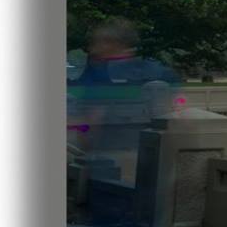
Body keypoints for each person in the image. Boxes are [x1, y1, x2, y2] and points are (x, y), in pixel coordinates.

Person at [67, 17, 182, 177]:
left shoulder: (150, 73)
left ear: (114, 43)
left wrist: (82, 127)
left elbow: (90, 122)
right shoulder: (154, 70)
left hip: (121, 160)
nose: (92, 49)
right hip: (126, 158)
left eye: (98, 42)